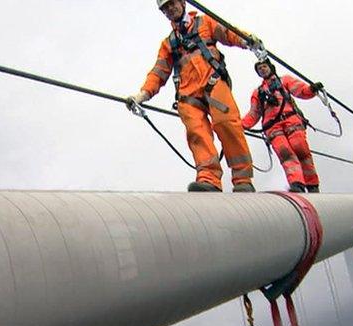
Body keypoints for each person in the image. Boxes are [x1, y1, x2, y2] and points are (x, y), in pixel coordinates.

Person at [126, 0, 262, 192]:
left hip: (213, 81)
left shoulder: (204, 23)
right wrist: (142, 95)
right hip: (188, 94)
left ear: (182, 3)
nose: (169, 10)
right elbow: (159, 72)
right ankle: (209, 178)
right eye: (165, 8)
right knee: (196, 132)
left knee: (227, 124)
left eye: (171, 4)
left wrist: (247, 39)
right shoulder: (169, 44)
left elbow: (227, 33)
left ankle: (242, 180)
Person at [242, 58, 323, 193]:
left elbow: (300, 90)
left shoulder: (284, 81)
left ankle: (312, 184)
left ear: (271, 67)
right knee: (285, 153)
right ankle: (297, 183)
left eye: (264, 66)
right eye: (259, 68)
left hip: (291, 121)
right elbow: (253, 114)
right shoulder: (258, 93)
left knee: (300, 149)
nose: (262, 69)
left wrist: (311, 89)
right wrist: (238, 125)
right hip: (273, 128)